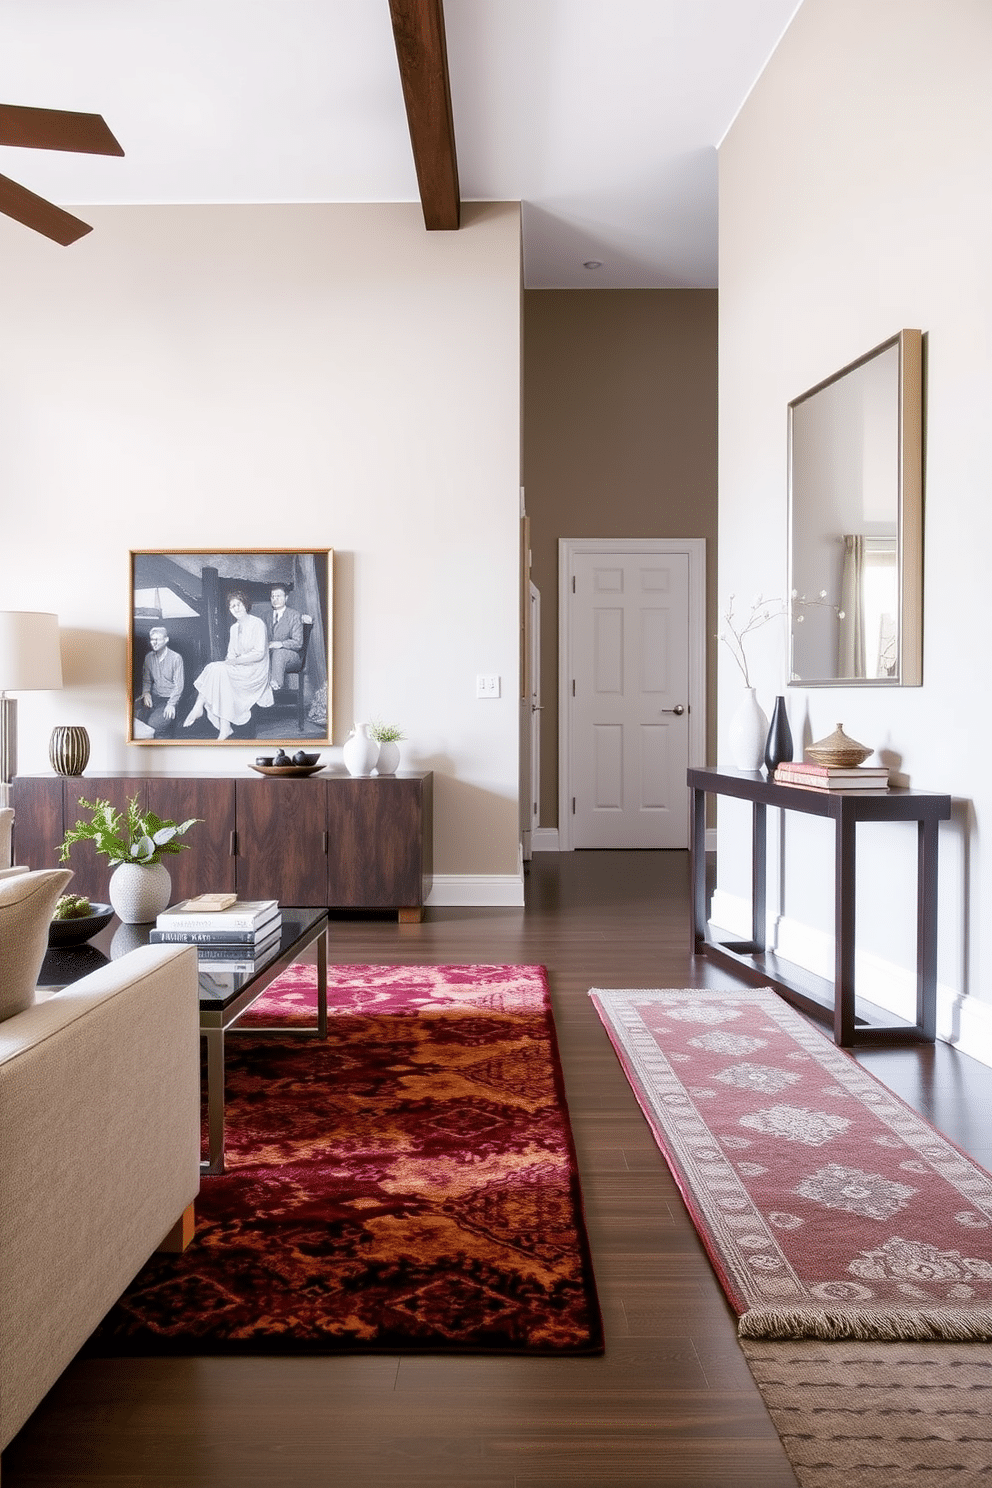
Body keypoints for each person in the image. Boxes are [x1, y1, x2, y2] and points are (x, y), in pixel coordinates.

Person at [183, 591, 273, 740]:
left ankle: (203, 710)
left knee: (219, 671)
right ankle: (219, 723)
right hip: (240, 667)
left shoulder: (257, 623)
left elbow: (259, 654)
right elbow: (231, 653)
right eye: (232, 606)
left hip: (256, 671)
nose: (236, 608)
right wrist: (229, 661)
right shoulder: (234, 628)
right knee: (214, 668)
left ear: (245, 604)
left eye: (238, 604)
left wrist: (235, 662)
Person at [135, 625, 184, 737]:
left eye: (157, 639)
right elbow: (146, 680)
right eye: (152, 639)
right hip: (154, 697)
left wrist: (171, 704)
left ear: (166, 640)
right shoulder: (149, 657)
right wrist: (146, 692)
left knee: (153, 725)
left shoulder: (176, 658)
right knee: (135, 719)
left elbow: (179, 686)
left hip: (169, 699)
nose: (154, 642)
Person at [265, 584, 304, 690]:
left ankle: (275, 685)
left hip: (291, 657)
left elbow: (298, 642)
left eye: (278, 596)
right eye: (273, 596)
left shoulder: (294, 615)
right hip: (269, 655)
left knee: (279, 652)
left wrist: (280, 644)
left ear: (286, 598)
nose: (275, 599)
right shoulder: (265, 616)